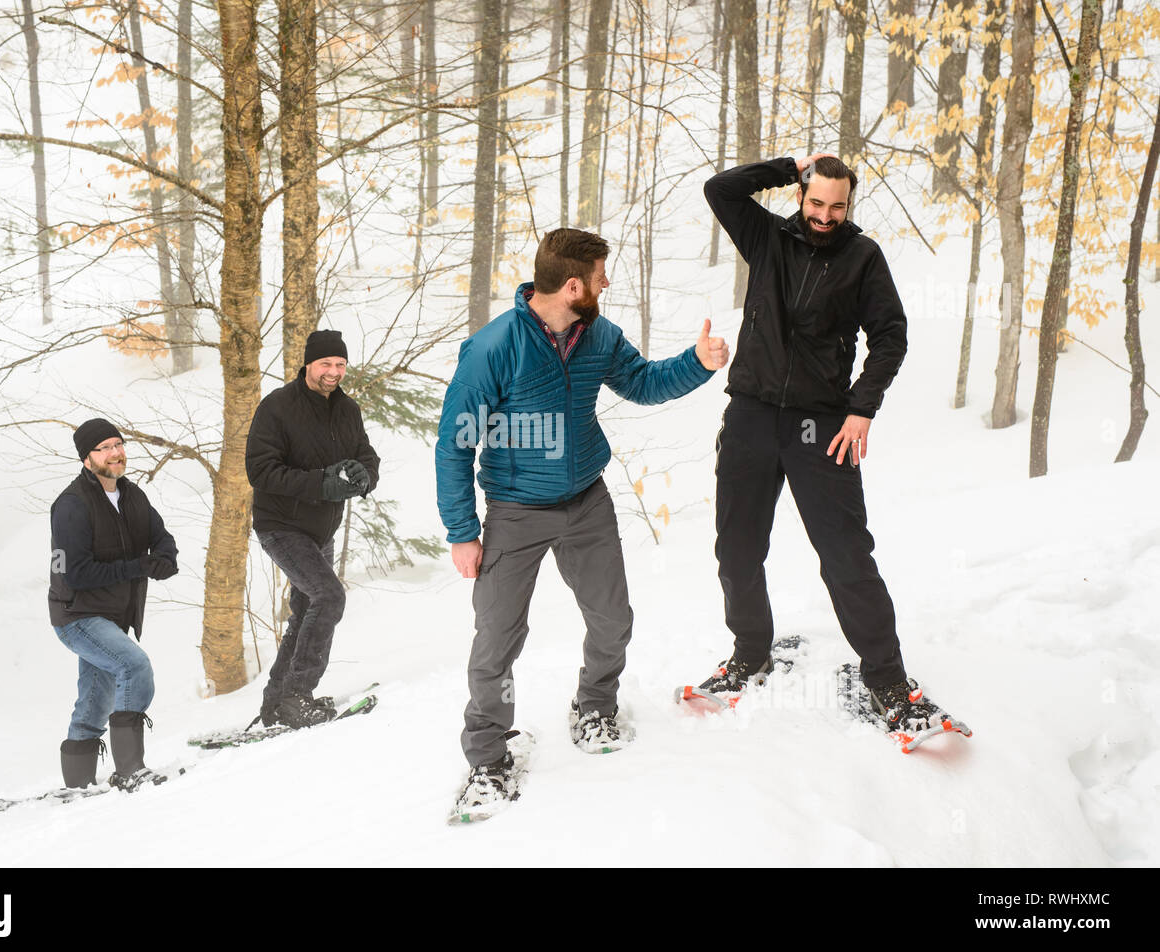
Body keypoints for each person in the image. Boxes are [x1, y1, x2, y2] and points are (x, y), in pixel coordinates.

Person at [436, 227, 729, 809]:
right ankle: (488, 757)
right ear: (573, 285)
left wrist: (696, 363)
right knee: (497, 640)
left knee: (612, 618)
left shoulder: (599, 335)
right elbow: (454, 444)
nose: (606, 282)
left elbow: (643, 383)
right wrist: (463, 531)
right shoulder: (494, 348)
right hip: (516, 511)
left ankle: (594, 706)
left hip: (587, 501)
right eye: (599, 276)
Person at [701, 152, 934, 731]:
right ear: (801, 195)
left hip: (821, 426)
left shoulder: (862, 257)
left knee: (846, 555)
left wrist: (861, 410)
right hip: (752, 415)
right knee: (737, 549)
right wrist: (786, 165)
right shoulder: (767, 236)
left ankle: (886, 678)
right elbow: (720, 189)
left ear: (848, 205)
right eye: (816, 203)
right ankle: (750, 654)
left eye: (837, 206)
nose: (825, 216)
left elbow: (891, 337)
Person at [245, 329, 379, 729]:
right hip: (281, 525)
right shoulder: (278, 407)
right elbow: (261, 470)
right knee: (328, 596)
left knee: (307, 608)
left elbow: (367, 456)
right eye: (326, 364)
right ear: (308, 364)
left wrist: (363, 476)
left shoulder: (347, 410)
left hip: (322, 529)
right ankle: (296, 695)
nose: (334, 372)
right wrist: (321, 483)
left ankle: (275, 703)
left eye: (340, 364)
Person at [49, 418, 179, 791]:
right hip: (76, 614)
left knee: (94, 697)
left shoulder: (132, 495)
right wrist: (139, 566)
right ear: (87, 458)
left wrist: (164, 559)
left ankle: (78, 784)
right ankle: (129, 769)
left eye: (118, 444)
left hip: (113, 616)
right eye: (104, 448)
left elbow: (161, 536)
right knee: (133, 666)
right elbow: (75, 573)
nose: (115, 453)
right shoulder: (71, 505)